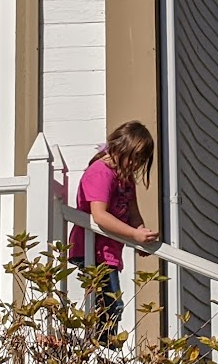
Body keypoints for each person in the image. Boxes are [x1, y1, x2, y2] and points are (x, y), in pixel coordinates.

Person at [68, 120, 158, 340]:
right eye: (134, 157)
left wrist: (141, 234)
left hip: (108, 252)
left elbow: (133, 212)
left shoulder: (125, 177)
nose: (136, 164)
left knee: (109, 305)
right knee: (110, 305)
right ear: (119, 147)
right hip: (92, 250)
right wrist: (133, 234)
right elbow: (99, 215)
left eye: (141, 160)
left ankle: (100, 347)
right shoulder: (101, 172)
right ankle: (102, 349)